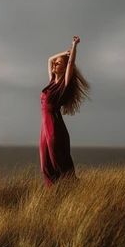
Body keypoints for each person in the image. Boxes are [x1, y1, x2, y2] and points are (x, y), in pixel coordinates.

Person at [39, 35, 90, 187]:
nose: (54, 64)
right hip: (45, 126)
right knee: (45, 163)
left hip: (54, 126)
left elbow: (71, 64)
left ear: (65, 67)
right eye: (56, 63)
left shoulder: (63, 85)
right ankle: (52, 192)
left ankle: (70, 188)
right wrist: (63, 53)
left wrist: (74, 47)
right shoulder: (51, 81)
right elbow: (49, 59)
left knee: (58, 161)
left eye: (58, 63)